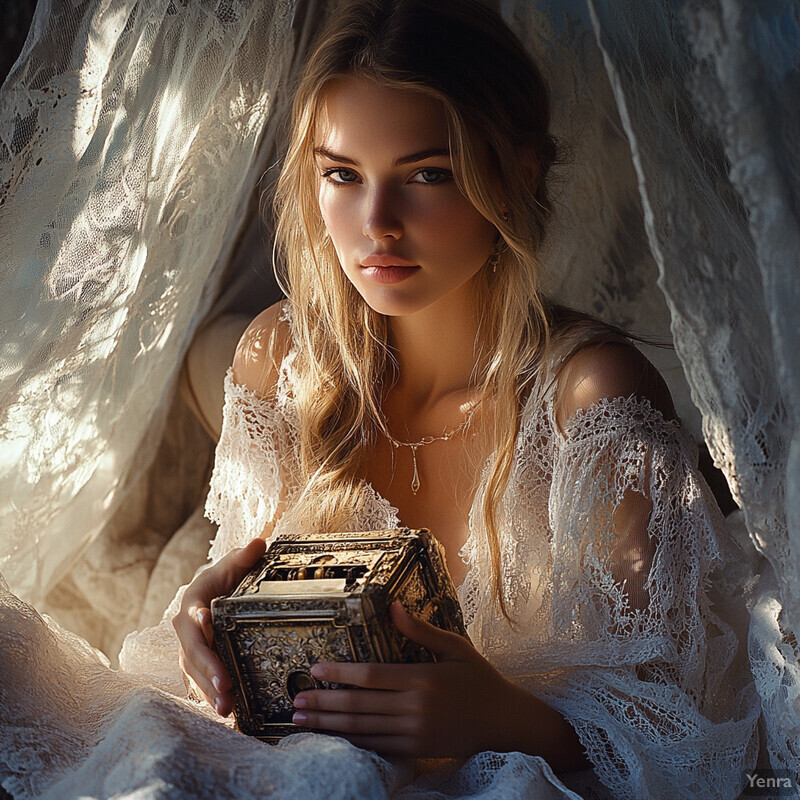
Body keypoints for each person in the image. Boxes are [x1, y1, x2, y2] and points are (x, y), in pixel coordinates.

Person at [171, 0, 759, 797]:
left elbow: (689, 726)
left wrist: (503, 718)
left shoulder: (590, 405)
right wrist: (214, 620)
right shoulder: (281, 362)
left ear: (519, 172)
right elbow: (262, 608)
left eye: (426, 175)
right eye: (342, 175)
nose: (376, 224)